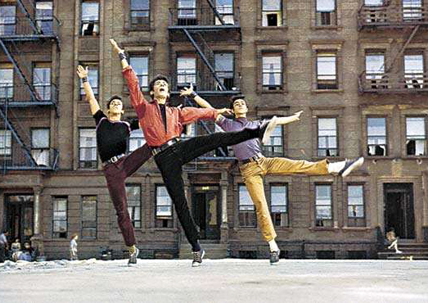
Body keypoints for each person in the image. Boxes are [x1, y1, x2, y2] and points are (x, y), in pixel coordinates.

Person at [111, 39, 279, 267]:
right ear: (152, 91)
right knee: (180, 202)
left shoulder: (175, 112)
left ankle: (257, 131)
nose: (162, 85)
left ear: (168, 92)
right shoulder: (144, 108)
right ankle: (197, 249)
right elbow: (132, 85)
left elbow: (201, 114)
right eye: (158, 84)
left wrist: (216, 111)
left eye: (164, 84)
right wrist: (123, 58)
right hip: (163, 158)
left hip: (179, 147)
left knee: (215, 138)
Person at [183, 91, 365, 265]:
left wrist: (294, 118)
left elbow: (276, 122)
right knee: (261, 205)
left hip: (264, 161)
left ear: (246, 108)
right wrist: (193, 95)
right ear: (233, 109)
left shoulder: (255, 123)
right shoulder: (228, 124)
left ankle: (337, 167)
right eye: (237, 103)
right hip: (248, 169)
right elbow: (209, 109)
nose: (240, 104)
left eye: (242, 103)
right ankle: (273, 246)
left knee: (298, 165)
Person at [76, 65, 153, 267]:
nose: (117, 104)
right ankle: (132, 248)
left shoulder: (127, 125)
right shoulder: (101, 120)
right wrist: (85, 80)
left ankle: (170, 142)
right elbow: (92, 100)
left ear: (122, 109)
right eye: (114, 103)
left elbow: (148, 119)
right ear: (109, 108)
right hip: (112, 170)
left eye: (120, 103)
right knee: (122, 211)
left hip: (125, 161)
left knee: (153, 143)